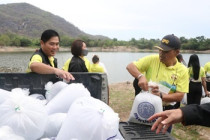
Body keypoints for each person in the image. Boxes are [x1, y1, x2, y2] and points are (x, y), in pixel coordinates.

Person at [126, 34, 189, 133]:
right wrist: (140, 76)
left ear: (177, 52)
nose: (161, 53)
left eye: (166, 51)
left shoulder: (183, 71)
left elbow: (180, 96)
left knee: (161, 136)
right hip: (146, 105)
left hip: (165, 112)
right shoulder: (152, 59)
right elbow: (130, 66)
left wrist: (160, 95)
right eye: (160, 50)